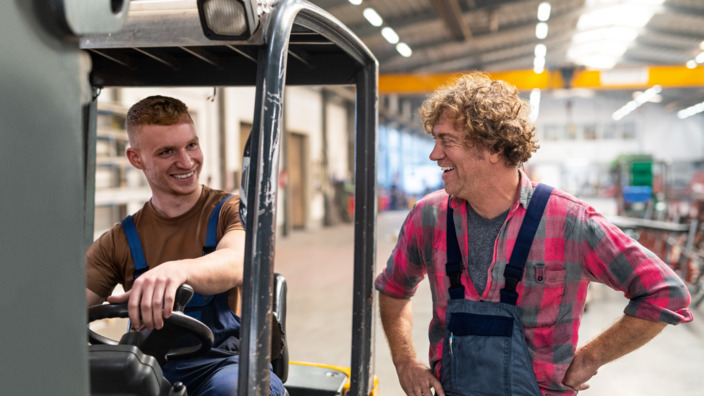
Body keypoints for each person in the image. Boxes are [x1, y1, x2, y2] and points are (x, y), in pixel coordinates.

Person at [374, 72, 693, 396]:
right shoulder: (429, 217)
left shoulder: (568, 222)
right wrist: (405, 362)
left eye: (447, 141)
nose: (434, 154)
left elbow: (664, 292)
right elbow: (393, 288)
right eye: (435, 140)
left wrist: (591, 357)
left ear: (494, 147)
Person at [85, 95, 285, 396]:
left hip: (227, 365)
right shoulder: (120, 239)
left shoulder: (231, 211)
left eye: (191, 145)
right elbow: (64, 311)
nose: (187, 161)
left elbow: (238, 259)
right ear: (136, 158)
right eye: (167, 152)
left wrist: (177, 271)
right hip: (148, 369)